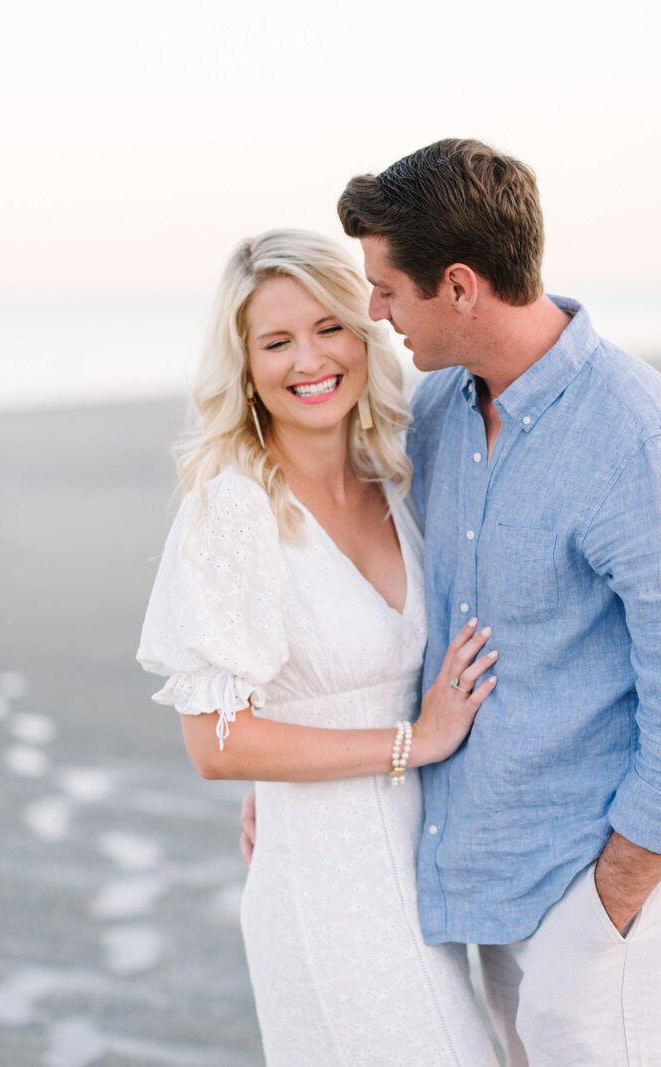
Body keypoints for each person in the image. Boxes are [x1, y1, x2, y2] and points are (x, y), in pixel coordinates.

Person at [331, 138, 661, 1065]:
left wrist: (618, 891)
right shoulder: (442, 409)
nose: (374, 311)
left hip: (600, 895)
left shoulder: (638, 436)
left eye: (387, 287)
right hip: (484, 884)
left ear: (459, 286)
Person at [137, 229, 500, 1065]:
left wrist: (300, 760)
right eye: (276, 341)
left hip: (420, 879)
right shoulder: (234, 509)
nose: (309, 358)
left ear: (364, 329)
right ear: (246, 365)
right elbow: (214, 742)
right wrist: (420, 738)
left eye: (329, 326)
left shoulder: (394, 475)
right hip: (327, 895)